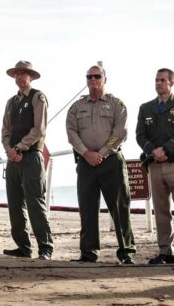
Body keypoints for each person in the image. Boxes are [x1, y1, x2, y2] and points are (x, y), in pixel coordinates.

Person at [66, 65, 136, 264]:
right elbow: (72, 133)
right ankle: (88, 253)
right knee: (87, 209)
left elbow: (120, 133)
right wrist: (86, 153)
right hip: (86, 163)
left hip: (111, 162)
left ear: (105, 79)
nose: (93, 79)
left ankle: (127, 252)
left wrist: (102, 153)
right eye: (89, 76)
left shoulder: (116, 104)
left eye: (97, 76)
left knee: (120, 209)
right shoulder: (76, 107)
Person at [136, 68, 174, 264]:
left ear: (171, 83)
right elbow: (140, 135)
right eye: (156, 80)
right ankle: (165, 251)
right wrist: (153, 151)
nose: (158, 83)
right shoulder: (146, 108)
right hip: (154, 164)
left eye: (162, 80)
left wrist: (166, 150)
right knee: (160, 209)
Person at [1, 60, 53, 260]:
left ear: (30, 77)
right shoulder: (10, 102)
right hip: (13, 159)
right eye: (17, 74)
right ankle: (23, 246)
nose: (20, 77)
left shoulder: (37, 97)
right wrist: (9, 150)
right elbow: (5, 130)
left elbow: (39, 129)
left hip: (31, 157)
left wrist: (19, 147)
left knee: (35, 203)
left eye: (24, 73)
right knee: (15, 204)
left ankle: (45, 247)